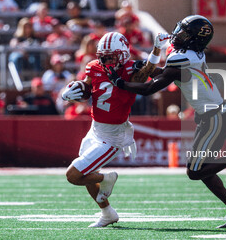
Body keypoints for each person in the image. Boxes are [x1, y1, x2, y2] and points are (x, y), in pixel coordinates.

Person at [108, 15, 226, 229]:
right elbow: (169, 74)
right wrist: (143, 66)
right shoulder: (187, 55)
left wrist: (120, 83)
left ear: (193, 39)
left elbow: (150, 88)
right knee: (202, 170)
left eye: (184, 33)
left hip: (215, 117)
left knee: (194, 171)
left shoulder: (184, 57)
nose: (178, 34)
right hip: (212, 116)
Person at [61, 31, 166, 227]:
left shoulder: (131, 69)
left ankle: (108, 178)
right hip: (95, 129)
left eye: (111, 56)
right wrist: (75, 90)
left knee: (73, 175)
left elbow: (149, 72)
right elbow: (88, 88)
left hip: (113, 136)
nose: (106, 61)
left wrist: (157, 49)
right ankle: (107, 213)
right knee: (87, 174)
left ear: (123, 54)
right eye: (103, 57)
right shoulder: (93, 66)